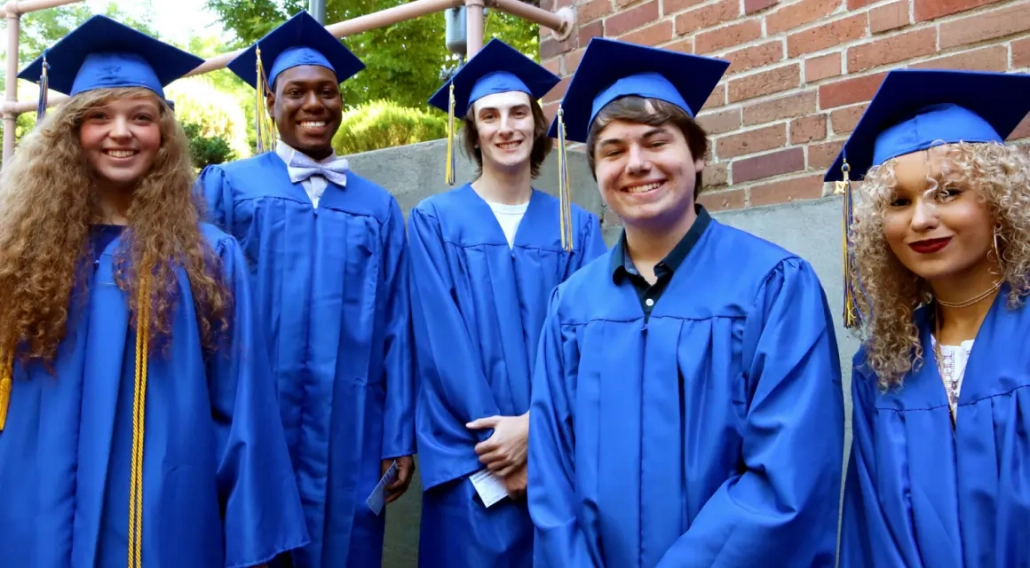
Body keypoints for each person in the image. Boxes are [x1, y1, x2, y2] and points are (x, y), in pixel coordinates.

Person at [0, 15, 308, 568]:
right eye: (99, 117)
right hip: (34, 510)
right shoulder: (20, 258)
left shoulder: (208, 257)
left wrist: (247, 536)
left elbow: (242, 411)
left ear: (163, 135)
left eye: (141, 117)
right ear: (70, 133)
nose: (121, 132)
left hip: (162, 519)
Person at [526, 37, 846, 568]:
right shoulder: (572, 307)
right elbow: (552, 474)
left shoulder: (775, 286)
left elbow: (788, 473)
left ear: (697, 155)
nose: (635, 164)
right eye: (612, 150)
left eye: (656, 142)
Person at [196, 11, 416, 568]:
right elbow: (200, 306)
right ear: (270, 101)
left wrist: (399, 434)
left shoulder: (377, 208)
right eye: (296, 91)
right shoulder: (227, 186)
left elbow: (398, 324)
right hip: (251, 415)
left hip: (352, 426)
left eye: (327, 91)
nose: (314, 104)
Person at [411, 38, 607, 568]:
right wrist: (503, 449)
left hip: (560, 457)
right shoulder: (434, 222)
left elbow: (593, 341)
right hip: (473, 463)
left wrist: (536, 431)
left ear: (538, 124)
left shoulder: (579, 227)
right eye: (490, 115)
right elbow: (438, 346)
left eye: (519, 112)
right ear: (473, 130)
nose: (507, 127)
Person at [828, 69, 1030, 567]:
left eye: (947, 192)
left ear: (1000, 201)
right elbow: (871, 528)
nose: (920, 219)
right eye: (899, 202)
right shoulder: (881, 364)